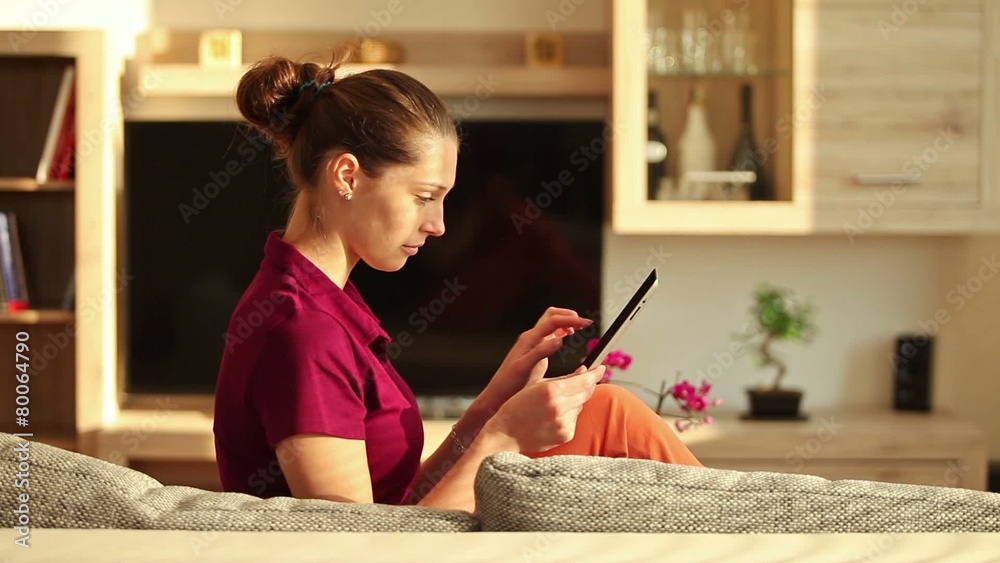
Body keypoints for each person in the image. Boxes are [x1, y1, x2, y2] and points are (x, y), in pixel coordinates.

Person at [212, 54, 703, 514]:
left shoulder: (325, 301)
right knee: (614, 419)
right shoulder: (303, 329)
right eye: (425, 196)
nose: (439, 225)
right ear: (347, 176)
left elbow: (403, 502)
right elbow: (364, 545)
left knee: (607, 409)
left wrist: (493, 404)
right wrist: (505, 435)